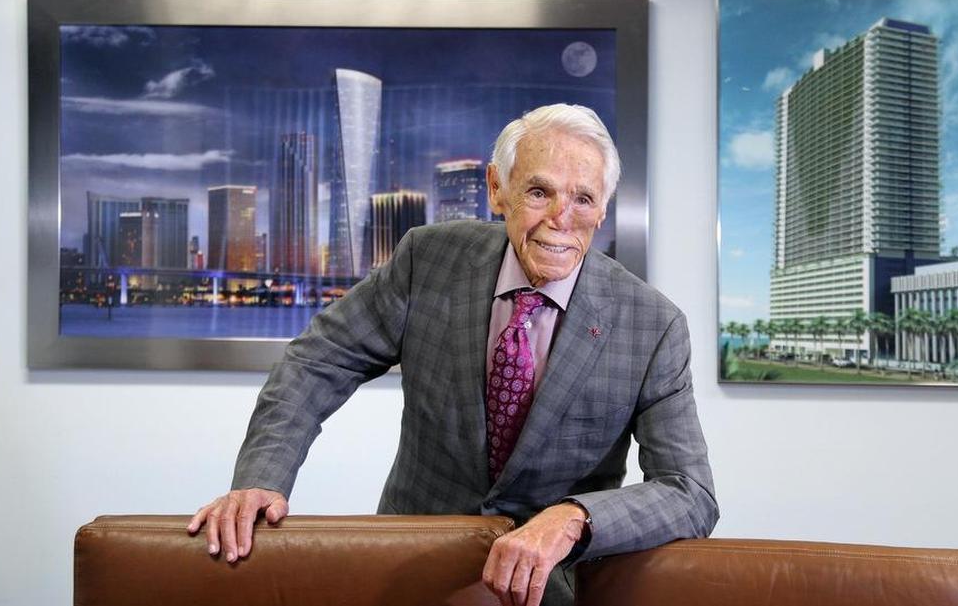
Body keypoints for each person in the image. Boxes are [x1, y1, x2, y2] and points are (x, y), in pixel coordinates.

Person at [188, 103, 717, 606]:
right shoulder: (428, 258)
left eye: (583, 198)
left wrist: (575, 518)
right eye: (539, 191)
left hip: (551, 588)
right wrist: (261, 478)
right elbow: (317, 359)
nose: (561, 217)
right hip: (407, 571)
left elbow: (690, 491)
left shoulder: (654, 324)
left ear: (602, 208)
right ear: (497, 189)